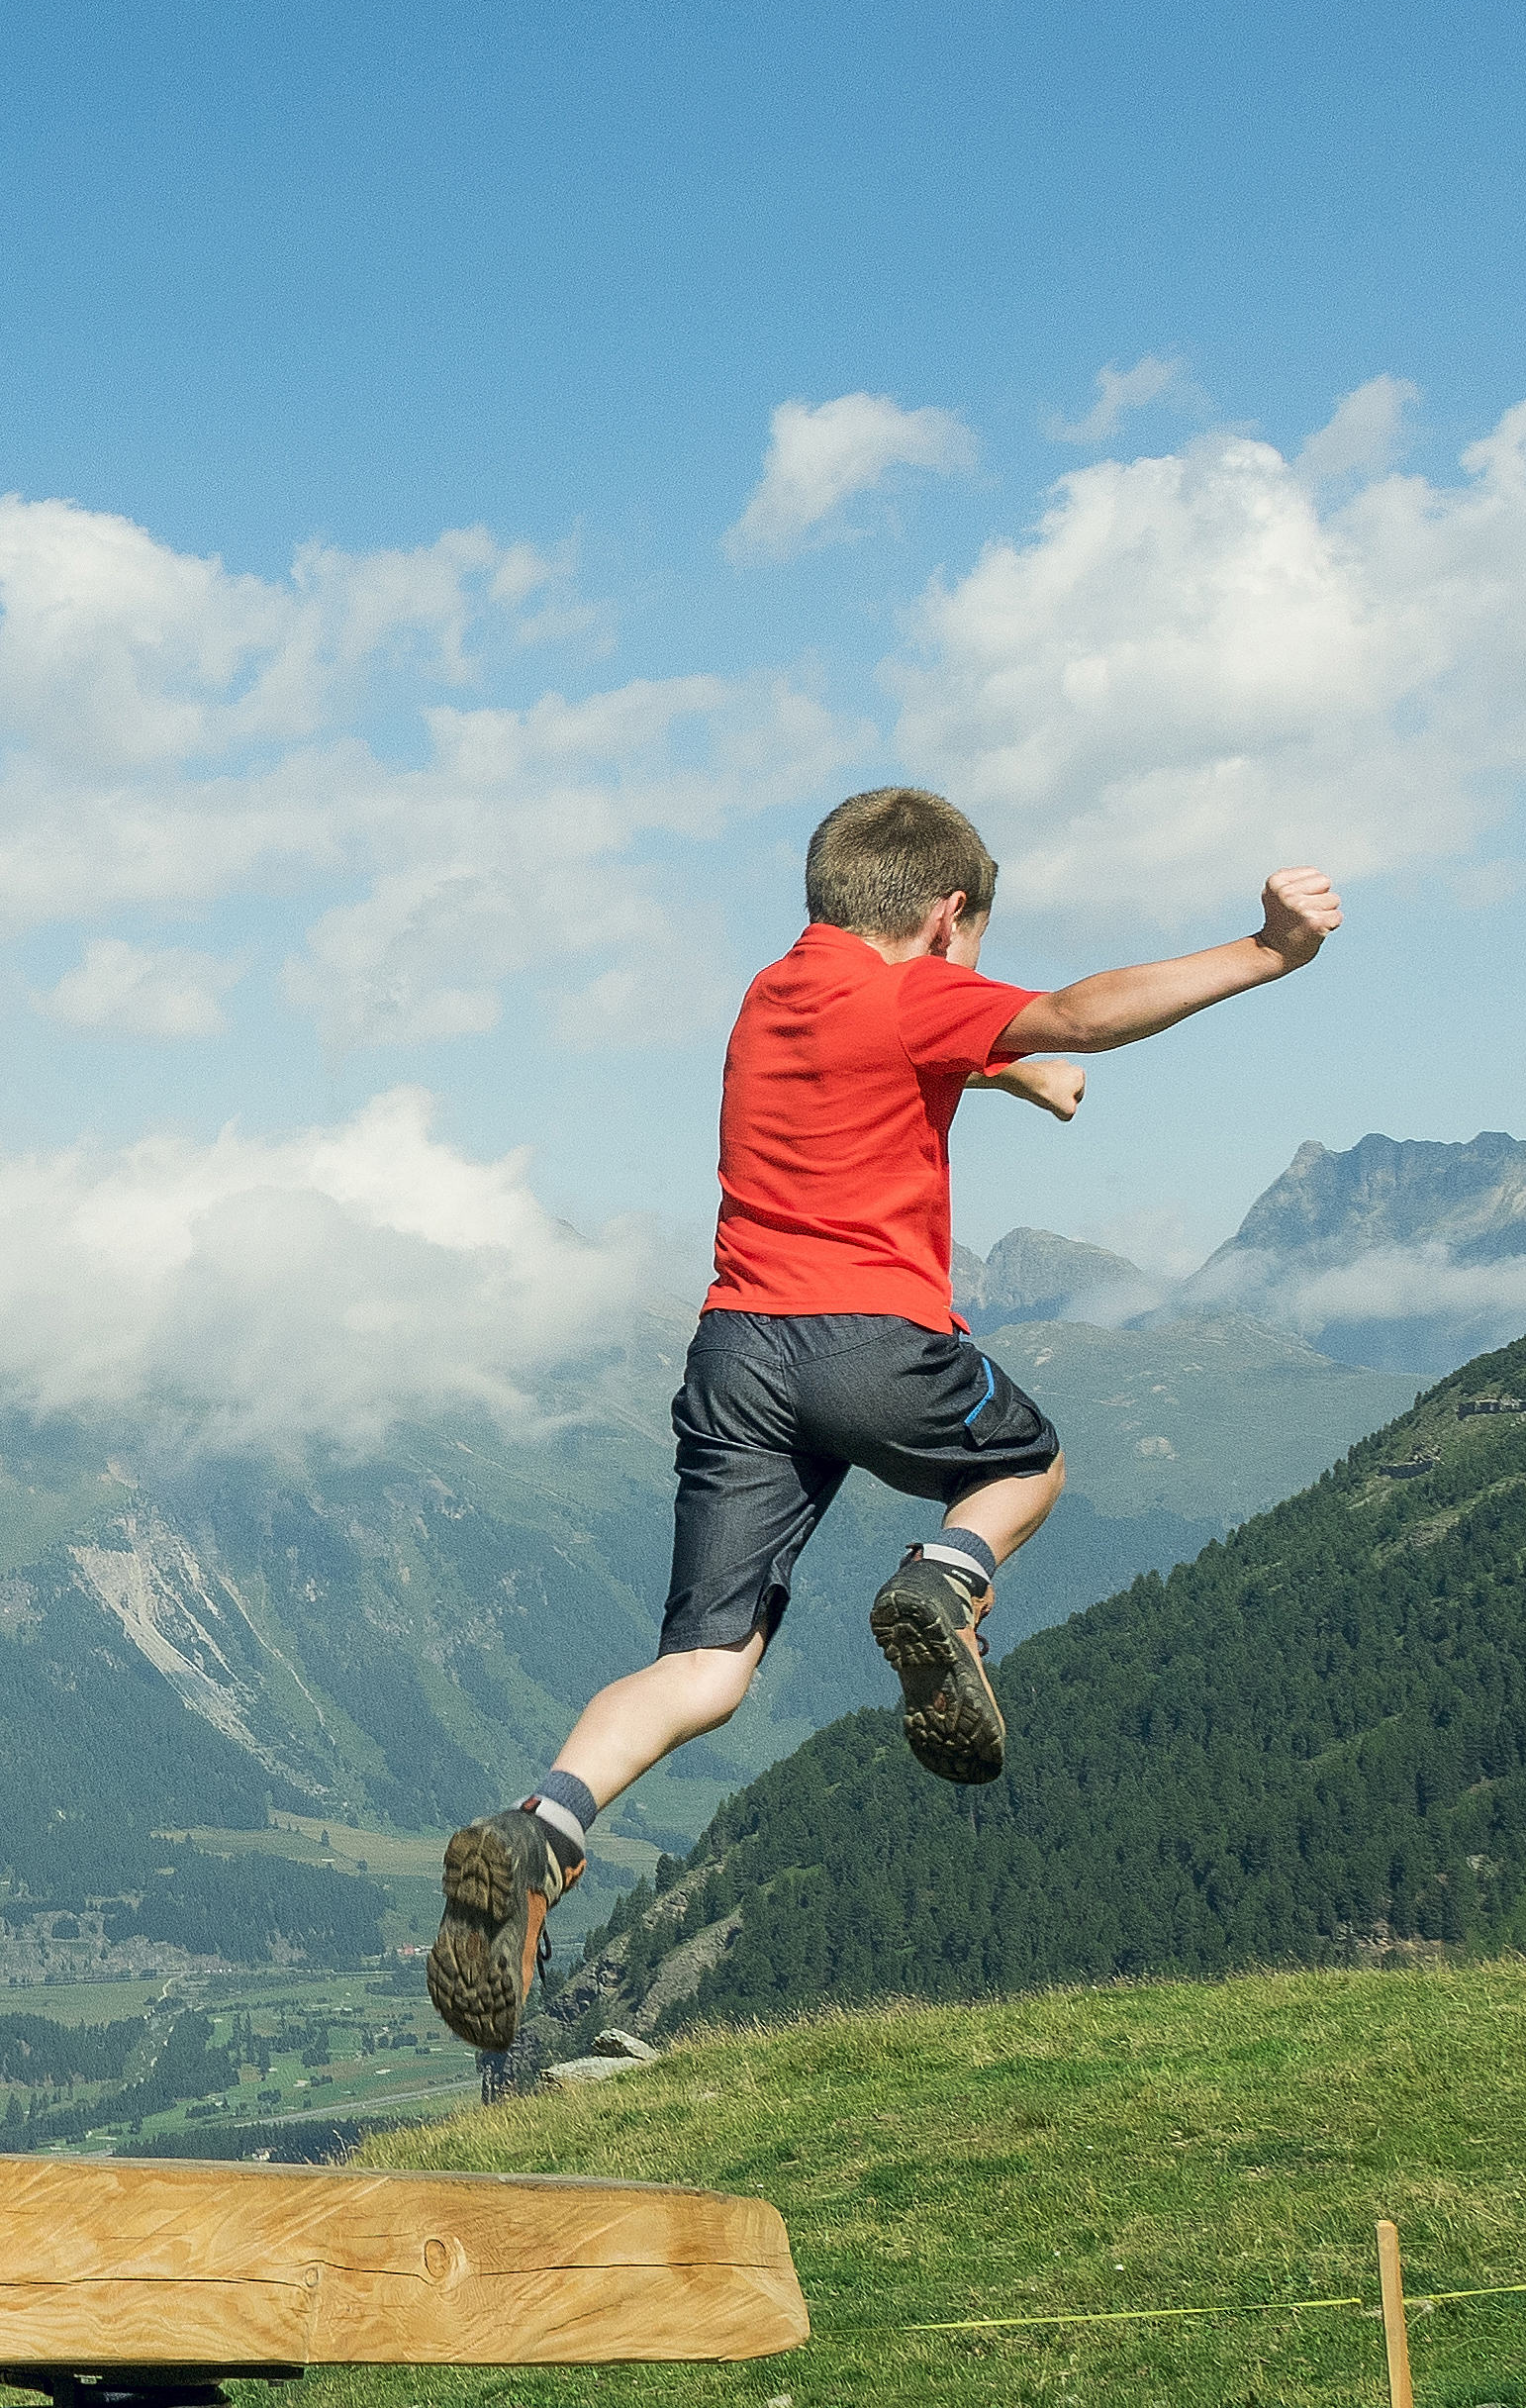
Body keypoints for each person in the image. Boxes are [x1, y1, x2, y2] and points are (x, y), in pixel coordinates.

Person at [427, 787, 1342, 2069]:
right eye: (970, 953)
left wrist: (1014, 1077)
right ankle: (938, 1584)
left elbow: (890, 1051)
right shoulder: (920, 990)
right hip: (867, 1342)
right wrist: (1266, 953)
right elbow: (1076, 1009)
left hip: (735, 1356)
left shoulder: (770, 994)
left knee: (706, 1667)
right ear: (947, 918)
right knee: (1026, 1466)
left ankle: (543, 1827)